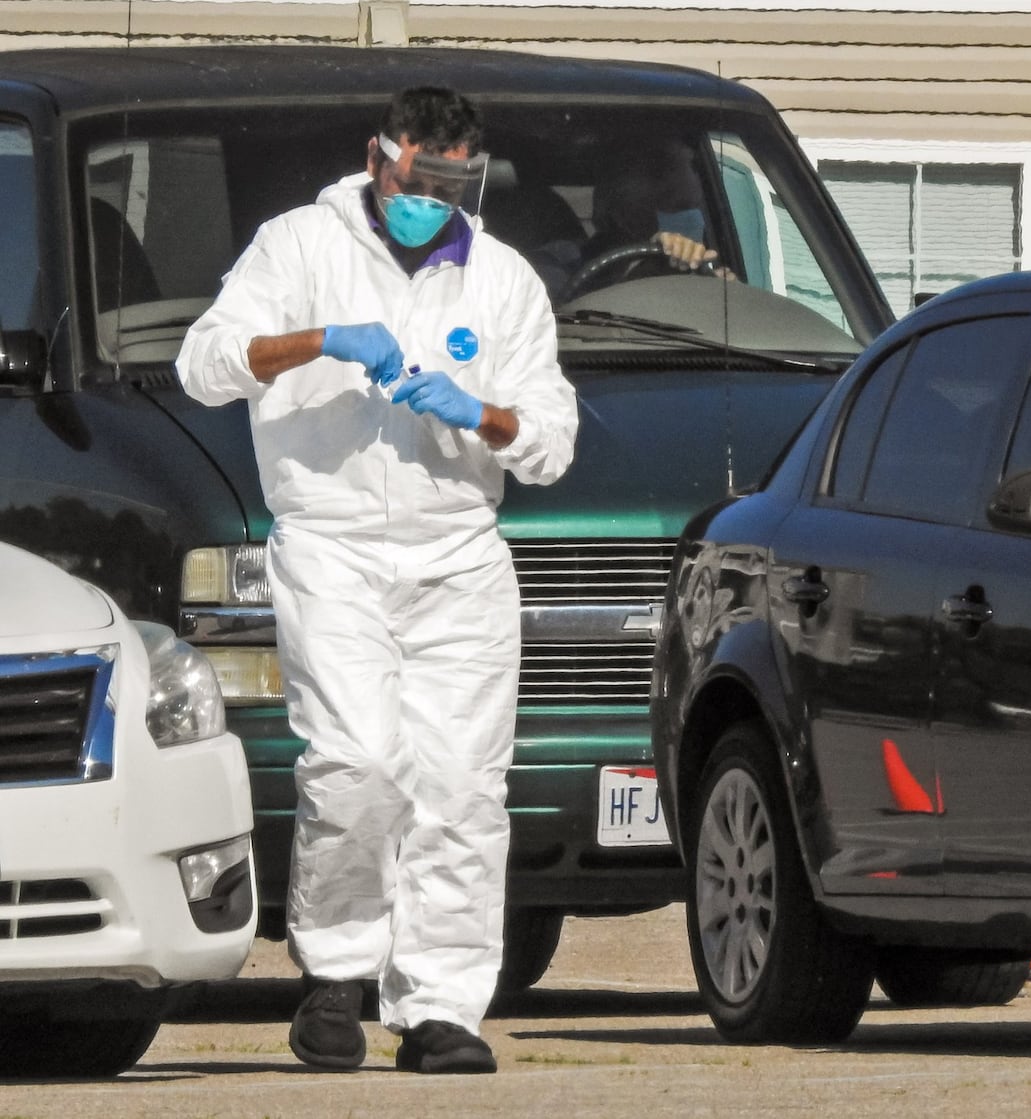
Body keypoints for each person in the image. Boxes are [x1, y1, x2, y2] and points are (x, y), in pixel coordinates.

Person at [176, 87, 579, 1075]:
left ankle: (439, 1009)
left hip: (458, 548)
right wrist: (322, 340)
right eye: (415, 180)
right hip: (331, 538)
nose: (428, 202)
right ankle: (337, 972)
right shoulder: (297, 246)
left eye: (452, 186)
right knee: (356, 762)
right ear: (377, 157)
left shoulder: (501, 280)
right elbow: (203, 365)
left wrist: (479, 413)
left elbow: (551, 443)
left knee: (460, 787)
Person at [529, 136, 725, 299]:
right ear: (609, 192)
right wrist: (642, 279)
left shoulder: (699, 272)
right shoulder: (558, 261)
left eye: (684, 208)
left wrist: (721, 294)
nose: (684, 224)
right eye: (656, 173)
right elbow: (551, 326)